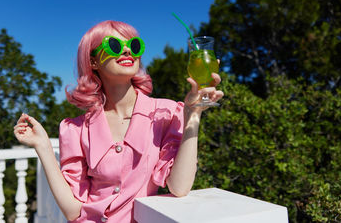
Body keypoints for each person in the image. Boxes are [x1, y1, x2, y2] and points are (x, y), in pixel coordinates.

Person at [13, 20, 223, 223]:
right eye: (114, 45)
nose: (127, 51)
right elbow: (72, 211)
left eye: (134, 45)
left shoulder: (166, 113)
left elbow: (179, 187)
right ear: (93, 61)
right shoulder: (75, 129)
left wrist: (193, 115)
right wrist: (43, 146)